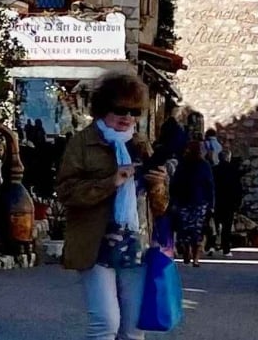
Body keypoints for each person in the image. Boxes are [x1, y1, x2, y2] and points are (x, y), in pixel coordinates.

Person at [56, 69, 165, 340]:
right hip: (96, 244)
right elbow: (66, 193)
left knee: (132, 330)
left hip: (136, 245)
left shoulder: (141, 145)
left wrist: (159, 184)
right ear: (103, 109)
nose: (127, 118)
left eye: (134, 112)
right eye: (120, 110)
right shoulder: (83, 143)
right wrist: (111, 181)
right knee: (105, 323)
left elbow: (160, 207)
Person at [170, 140, 215, 267]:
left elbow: (175, 184)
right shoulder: (204, 166)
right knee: (197, 230)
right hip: (198, 202)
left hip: (186, 201)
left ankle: (188, 252)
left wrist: (174, 200)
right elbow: (210, 186)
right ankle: (195, 257)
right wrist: (211, 204)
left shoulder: (183, 165)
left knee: (185, 230)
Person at [210, 150, 243, 257]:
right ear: (229, 158)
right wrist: (238, 203)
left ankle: (211, 245)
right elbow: (238, 188)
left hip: (216, 201)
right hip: (229, 202)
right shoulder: (234, 170)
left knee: (213, 225)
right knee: (227, 227)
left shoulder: (214, 170)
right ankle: (226, 249)